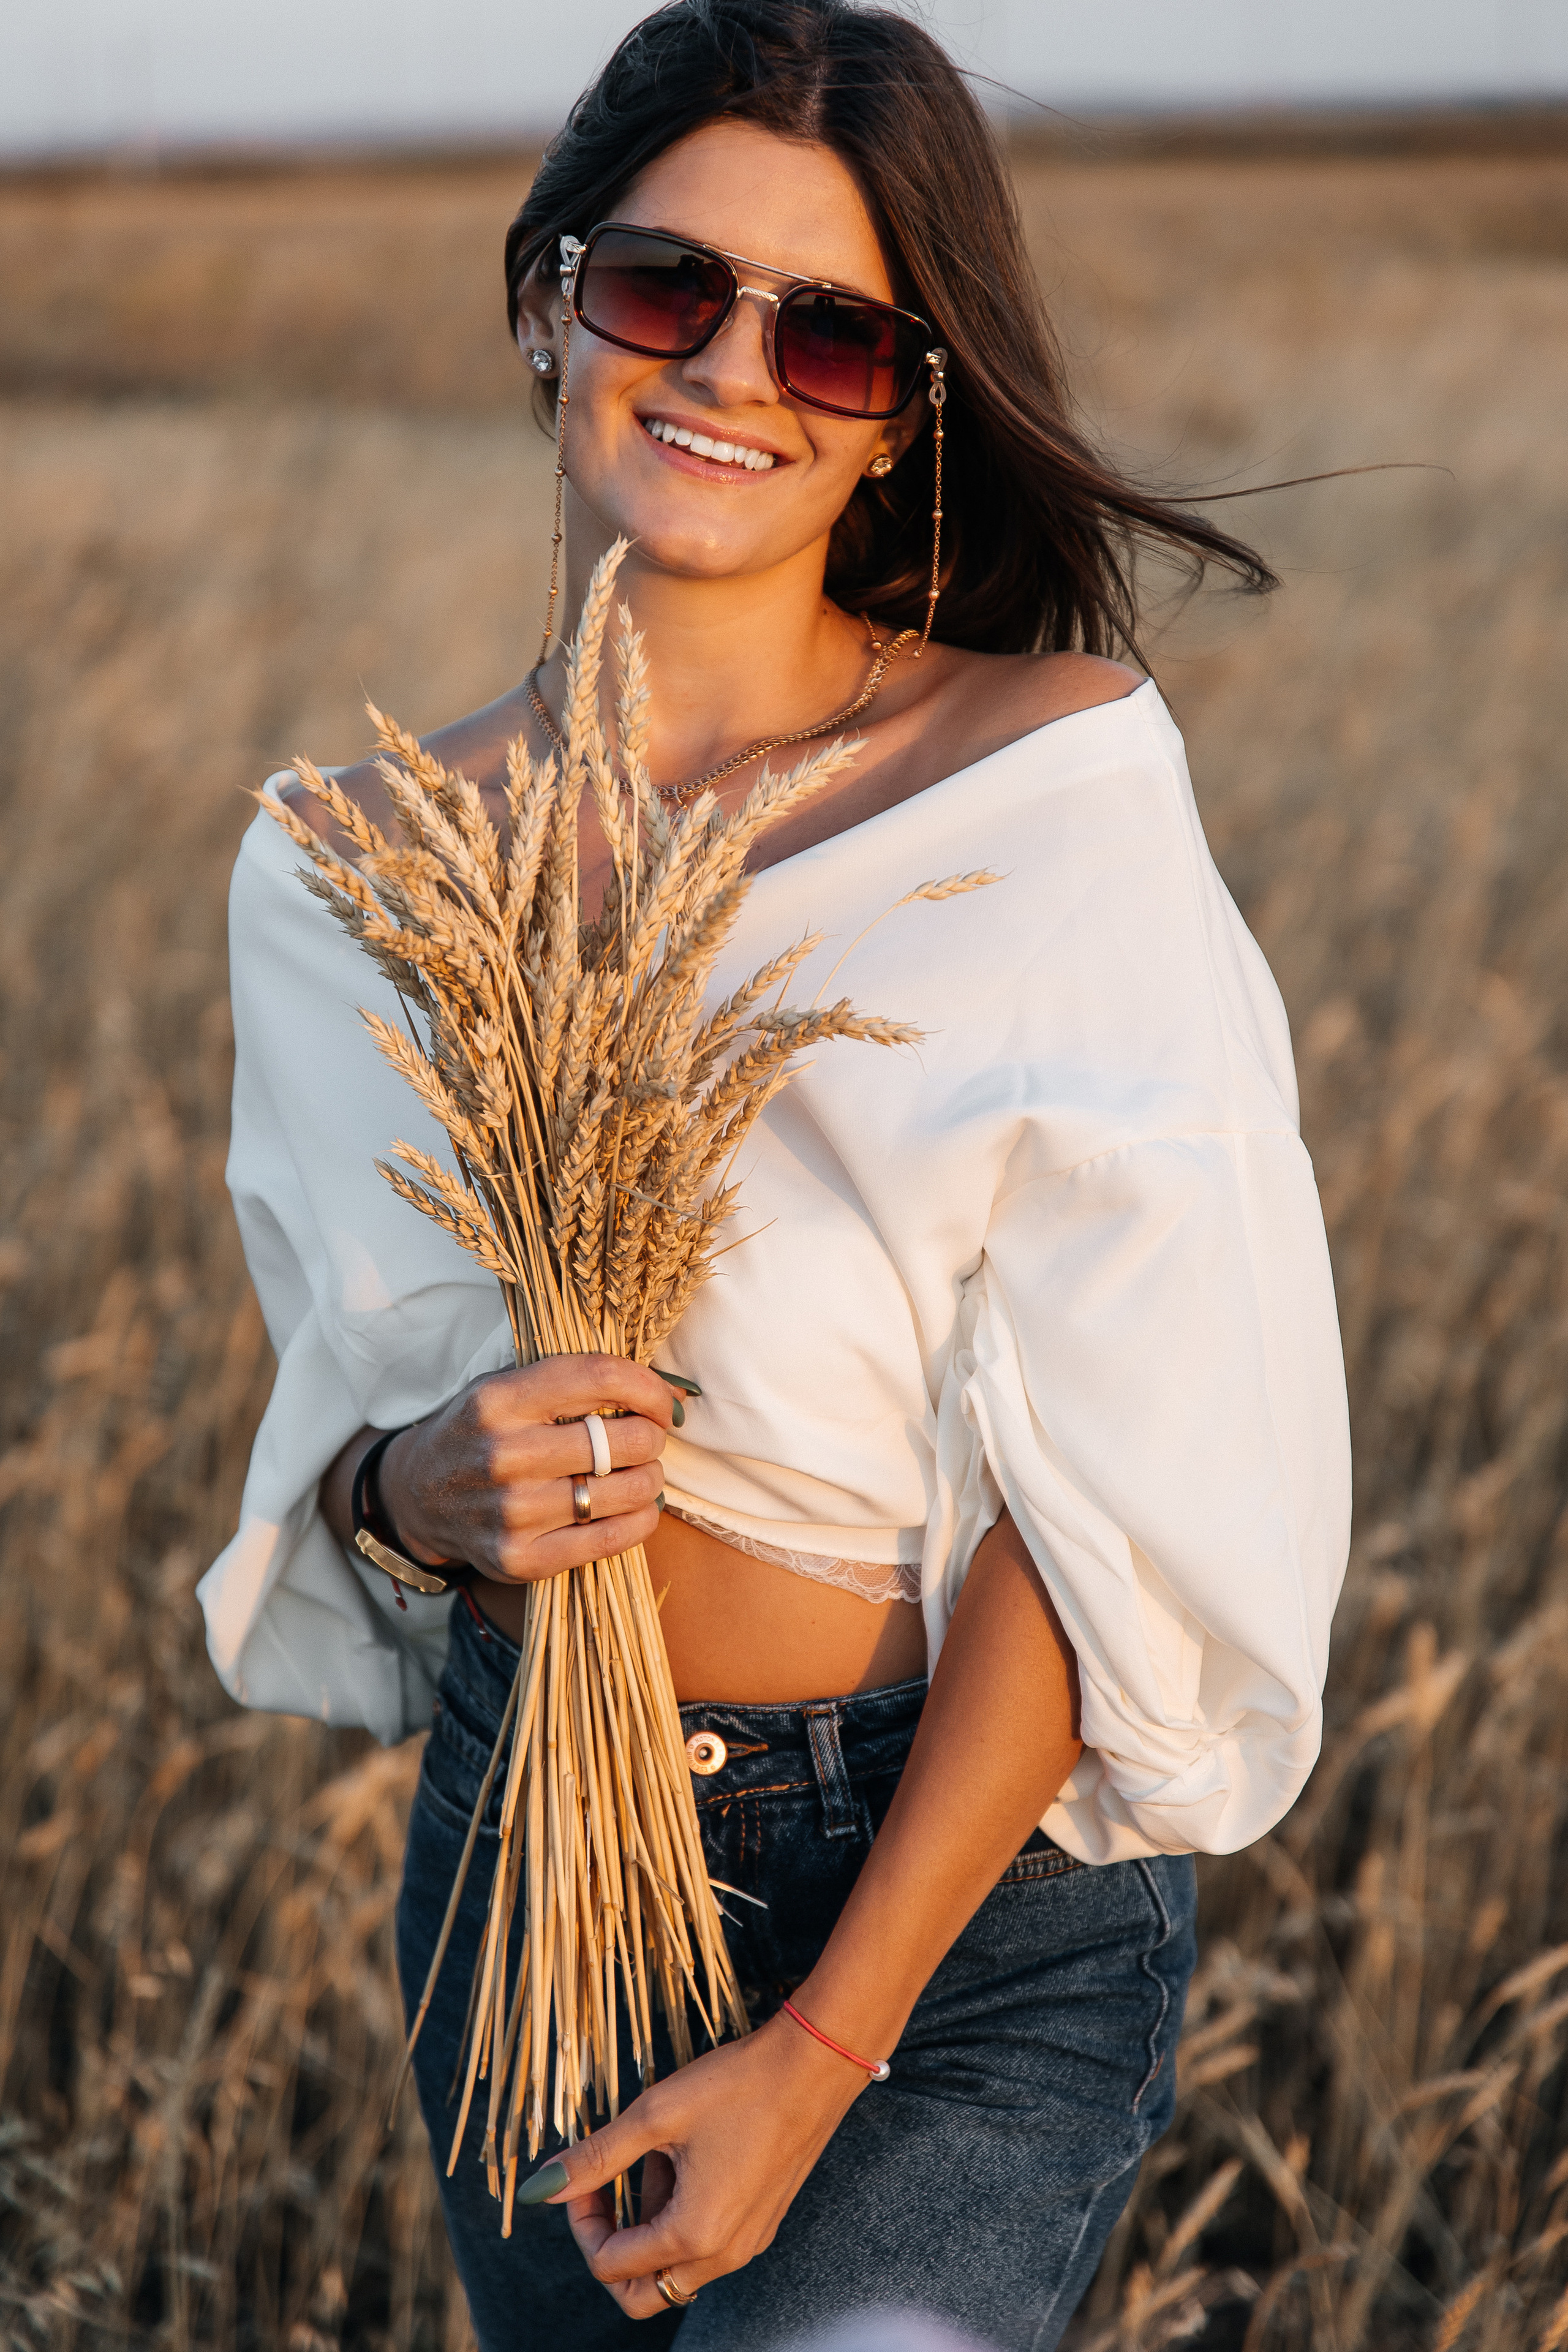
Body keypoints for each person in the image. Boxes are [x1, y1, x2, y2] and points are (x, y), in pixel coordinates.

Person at [198, 3, 1352, 2346]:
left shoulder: (1051, 790)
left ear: (908, 403)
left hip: (950, 1890)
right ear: (548, 302)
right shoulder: (343, 873)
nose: (732, 368)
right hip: (538, 1859)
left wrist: (823, 2050)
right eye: (662, 288)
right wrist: (424, 1488)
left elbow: (1100, 1491)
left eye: (833, 333)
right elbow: (365, 1452)